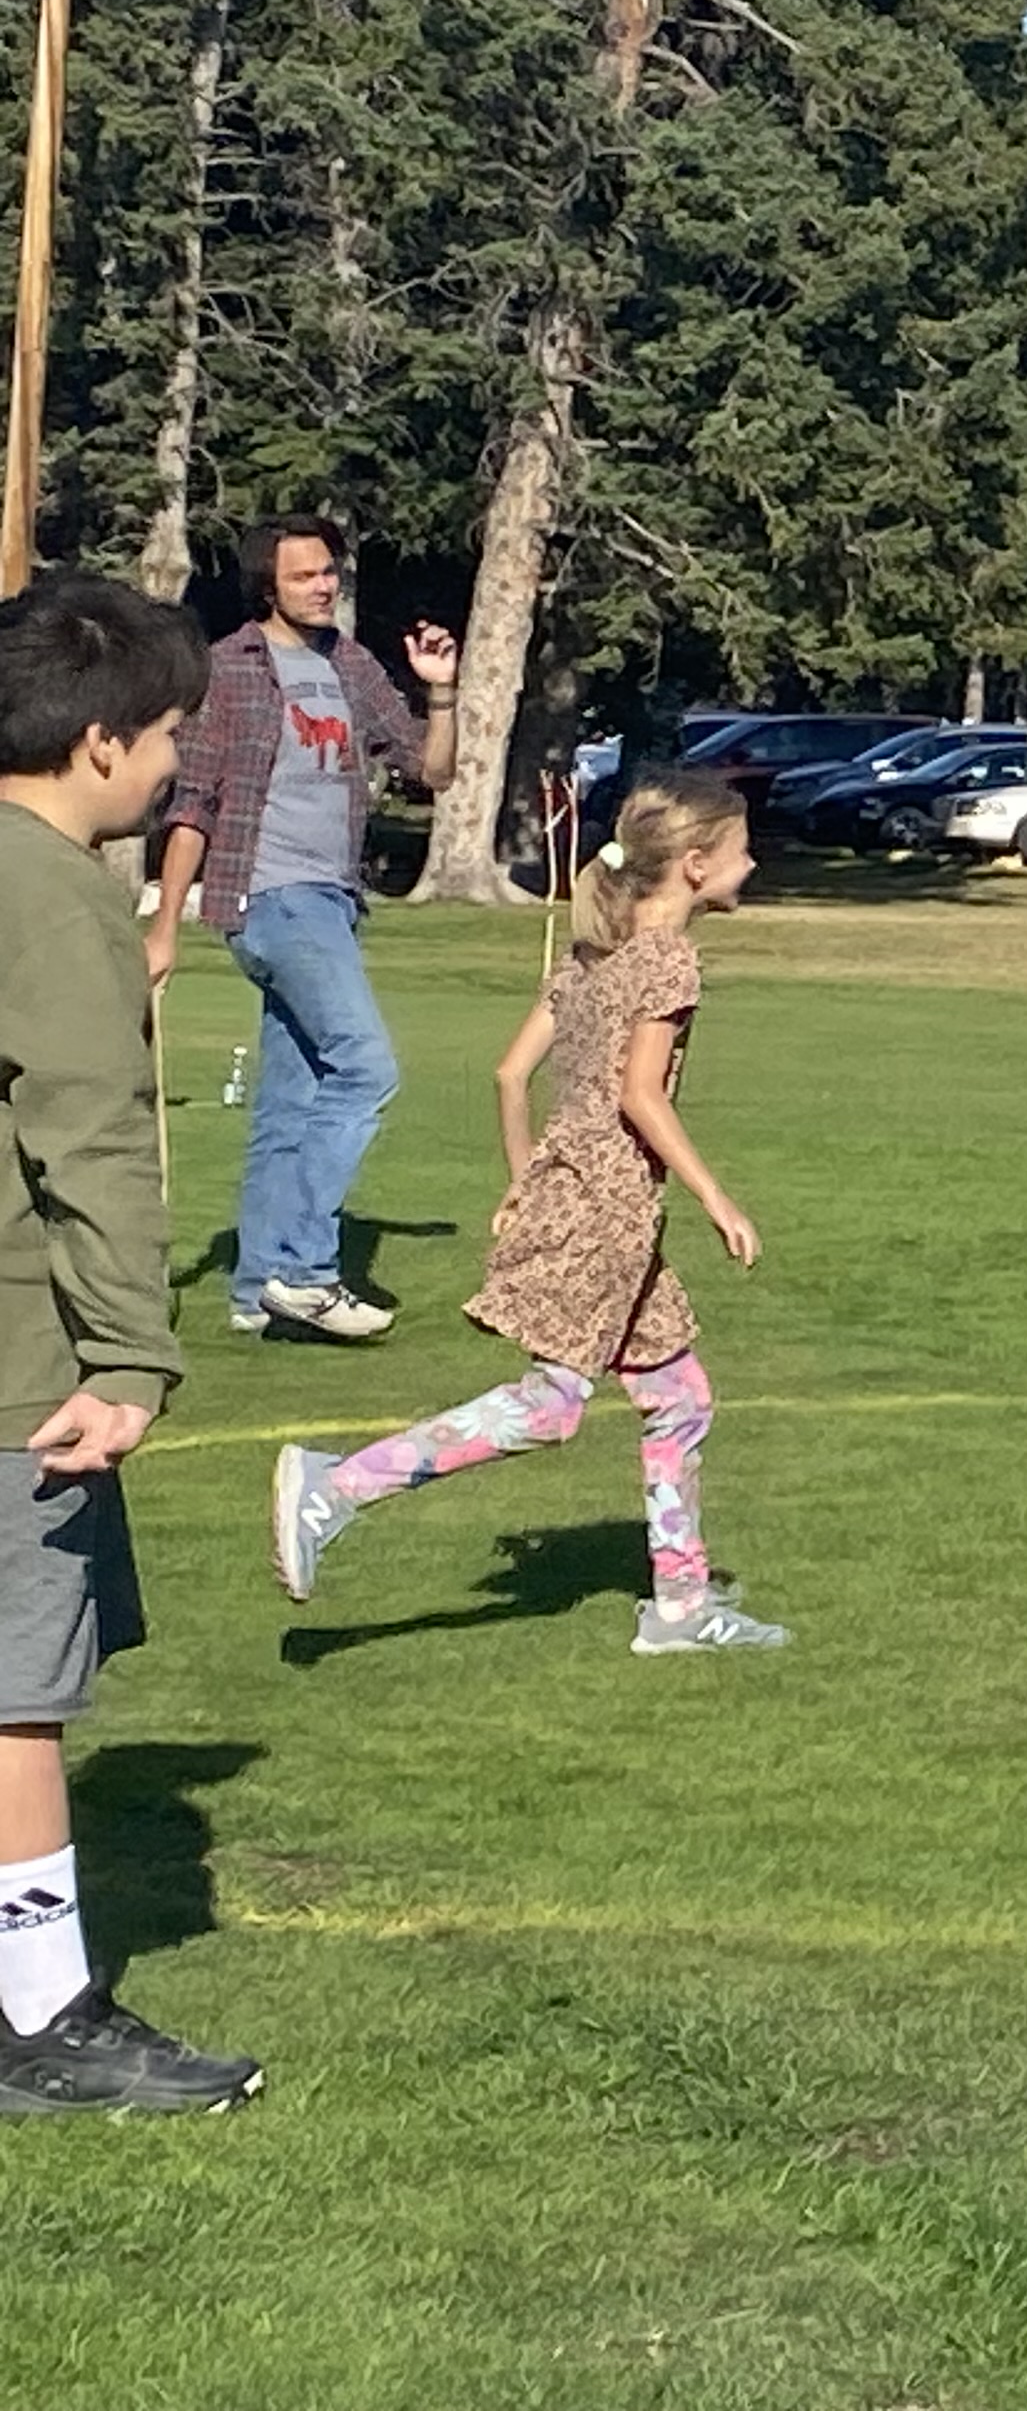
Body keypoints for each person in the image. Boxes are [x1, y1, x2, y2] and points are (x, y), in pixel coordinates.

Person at [268, 770, 788, 1656]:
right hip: (609, 1208)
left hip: (579, 1194)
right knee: (551, 1406)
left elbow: (511, 1077)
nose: (752, 864)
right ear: (697, 865)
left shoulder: (591, 955)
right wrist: (715, 1196)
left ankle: (681, 1606)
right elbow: (640, 1098)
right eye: (741, 851)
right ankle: (337, 1487)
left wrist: (527, 1181)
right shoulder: (667, 959)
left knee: (677, 1393)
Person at [0, 574, 259, 2114]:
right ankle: (41, 2022)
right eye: (167, 737)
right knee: (16, 1701)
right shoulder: (54, 894)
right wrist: (130, 1359)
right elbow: (88, 1140)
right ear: (101, 744)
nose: (174, 768)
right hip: (18, 1366)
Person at [149, 514, 462, 1343]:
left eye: (329, 573)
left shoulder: (350, 665)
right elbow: (194, 805)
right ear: (267, 588)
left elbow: (431, 771)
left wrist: (440, 689)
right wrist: (166, 927)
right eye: (304, 576)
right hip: (268, 899)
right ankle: (305, 1271)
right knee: (365, 1068)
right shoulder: (230, 671)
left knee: (290, 1105)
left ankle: (256, 1290)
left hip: (330, 902)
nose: (323, 586)